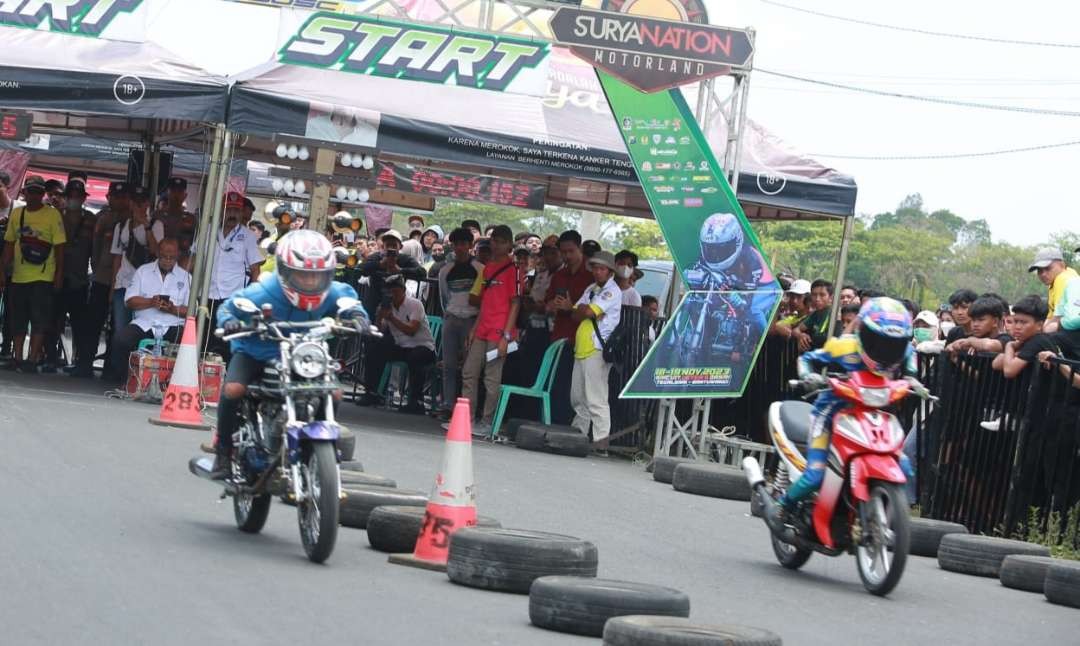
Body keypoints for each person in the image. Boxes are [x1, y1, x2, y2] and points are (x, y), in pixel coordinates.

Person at [210, 231, 368, 479]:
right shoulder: (263, 291)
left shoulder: (334, 292)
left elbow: (350, 304)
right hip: (257, 351)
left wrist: (358, 317)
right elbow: (230, 306)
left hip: (305, 355)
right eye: (302, 274)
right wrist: (230, 321)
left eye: (317, 276)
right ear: (284, 271)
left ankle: (318, 449)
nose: (309, 282)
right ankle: (222, 451)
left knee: (334, 392)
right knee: (233, 390)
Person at [771, 298, 920, 518]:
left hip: (873, 416)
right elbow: (807, 359)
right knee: (815, 475)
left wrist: (913, 382)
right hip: (830, 414)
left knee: (904, 465)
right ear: (865, 332)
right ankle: (783, 506)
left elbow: (912, 374)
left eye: (893, 343)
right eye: (879, 341)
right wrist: (808, 376)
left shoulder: (907, 352)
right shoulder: (844, 347)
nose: (886, 348)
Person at [458, 225, 521, 437]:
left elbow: (515, 304)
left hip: (499, 330)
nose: (496, 244)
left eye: (502, 241)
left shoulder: (515, 270)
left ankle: (487, 421)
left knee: (491, 378)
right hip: (483, 327)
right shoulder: (487, 268)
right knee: (469, 372)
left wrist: (506, 335)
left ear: (510, 245)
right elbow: (483, 301)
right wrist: (474, 328)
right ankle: (465, 419)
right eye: (494, 240)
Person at [0, 175, 66, 372]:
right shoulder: (17, 214)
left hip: (43, 276)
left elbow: (61, 247)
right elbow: (10, 244)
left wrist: (59, 275)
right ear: (25, 193)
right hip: (19, 275)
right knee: (17, 318)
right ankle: (18, 357)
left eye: (39, 191)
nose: (35, 195)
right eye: (32, 191)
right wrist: (2, 271)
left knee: (39, 319)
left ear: (42, 194)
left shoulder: (53, 215)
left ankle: (32, 359)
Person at [110, 239, 189, 387]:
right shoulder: (143, 271)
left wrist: (172, 308)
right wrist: (151, 302)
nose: (167, 260)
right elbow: (129, 301)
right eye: (164, 256)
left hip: (173, 325)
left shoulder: (186, 277)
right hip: (145, 323)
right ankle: (127, 382)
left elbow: (192, 311)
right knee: (120, 340)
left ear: (177, 255)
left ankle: (172, 386)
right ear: (158, 253)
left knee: (187, 346)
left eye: (171, 257)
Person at [569, 250, 622, 454]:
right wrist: (584, 310)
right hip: (582, 348)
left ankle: (601, 442)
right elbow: (575, 314)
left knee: (596, 398)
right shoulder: (591, 288)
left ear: (610, 272)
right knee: (578, 397)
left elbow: (587, 311)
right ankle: (578, 436)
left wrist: (585, 310)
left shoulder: (612, 291)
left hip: (597, 349)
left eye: (602, 269)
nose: (597, 272)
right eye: (595, 268)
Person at [362, 274, 437, 413]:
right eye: (390, 292)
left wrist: (392, 318)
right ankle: (371, 392)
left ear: (403, 290)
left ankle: (416, 401)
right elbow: (380, 331)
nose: (393, 295)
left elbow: (412, 330)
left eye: (395, 291)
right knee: (375, 348)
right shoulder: (387, 306)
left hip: (423, 346)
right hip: (402, 346)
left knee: (416, 357)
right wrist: (379, 316)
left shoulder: (415, 304)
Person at [82, 181, 131, 378]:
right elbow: (93, 246)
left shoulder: (132, 220)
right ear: (108, 197)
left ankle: (113, 366)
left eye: (123, 196)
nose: (119, 200)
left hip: (124, 280)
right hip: (102, 277)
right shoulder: (101, 218)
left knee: (118, 327)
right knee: (93, 323)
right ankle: (85, 362)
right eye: (115, 196)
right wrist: (95, 267)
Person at [47, 178, 97, 373]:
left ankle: (79, 362)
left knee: (79, 324)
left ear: (84, 198)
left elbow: (95, 248)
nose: (75, 199)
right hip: (57, 276)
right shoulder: (56, 216)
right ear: (66, 197)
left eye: (78, 196)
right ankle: (50, 358)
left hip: (80, 279)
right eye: (72, 196)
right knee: (53, 321)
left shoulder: (91, 219)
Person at [207, 192, 263, 361]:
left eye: (236, 210)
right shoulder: (208, 231)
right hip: (207, 296)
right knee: (206, 339)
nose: (232, 214)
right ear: (221, 211)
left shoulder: (247, 236)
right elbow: (195, 260)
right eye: (228, 209)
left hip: (231, 298)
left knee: (226, 341)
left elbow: (255, 269)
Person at [437, 228, 484, 417]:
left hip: (472, 321)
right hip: (451, 318)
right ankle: (448, 405)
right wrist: (450, 313)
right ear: (453, 246)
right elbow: (443, 297)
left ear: (470, 246)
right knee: (448, 365)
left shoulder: (480, 269)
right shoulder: (445, 271)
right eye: (457, 244)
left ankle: (467, 407)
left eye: (464, 244)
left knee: (469, 367)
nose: (460, 248)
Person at [110, 186, 163, 345]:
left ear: (148, 203)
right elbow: (117, 257)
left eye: (143, 201)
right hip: (124, 283)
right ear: (131, 203)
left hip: (145, 288)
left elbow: (157, 252)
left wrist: (146, 226)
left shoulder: (156, 224)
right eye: (136, 202)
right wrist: (112, 288)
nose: (140, 205)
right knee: (121, 330)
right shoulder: (121, 226)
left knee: (142, 331)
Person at [359, 229, 426, 319]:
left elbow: (422, 272)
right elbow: (360, 269)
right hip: (373, 303)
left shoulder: (405, 259)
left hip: (396, 307)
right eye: (388, 245)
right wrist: (379, 264)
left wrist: (401, 270)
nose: (391, 248)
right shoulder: (375, 257)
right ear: (383, 246)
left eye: (394, 245)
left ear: (400, 246)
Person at [991, 295, 1058, 379]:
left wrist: (1009, 346)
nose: (1017, 326)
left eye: (1023, 322)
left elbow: (1009, 371)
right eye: (1015, 321)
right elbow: (996, 364)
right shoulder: (1026, 340)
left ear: (1039, 325)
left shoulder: (1039, 340)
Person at [1029, 247, 1079, 334]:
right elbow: (1051, 317)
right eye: (1039, 271)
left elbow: (1059, 317)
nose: (1043, 274)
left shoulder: (1063, 279)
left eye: (1048, 268)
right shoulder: (1057, 280)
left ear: (1062, 265)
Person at [152, 177, 197, 270]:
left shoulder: (191, 219)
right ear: (168, 193)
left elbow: (195, 246)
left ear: (185, 195)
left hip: (183, 265)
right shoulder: (157, 215)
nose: (176, 195)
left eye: (180, 192)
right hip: (159, 261)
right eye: (173, 191)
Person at [945, 296, 1012, 356]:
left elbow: (989, 345)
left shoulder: (1006, 339)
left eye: (981, 320)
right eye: (973, 320)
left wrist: (970, 341)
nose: (975, 324)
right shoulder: (974, 343)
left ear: (995, 322)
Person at [795, 279, 834, 350]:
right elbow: (796, 330)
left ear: (831, 297)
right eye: (814, 295)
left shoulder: (834, 314)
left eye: (822, 295)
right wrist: (800, 335)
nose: (817, 299)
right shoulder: (815, 314)